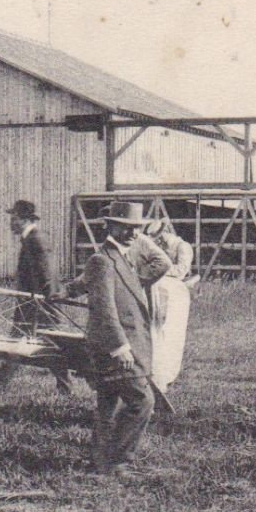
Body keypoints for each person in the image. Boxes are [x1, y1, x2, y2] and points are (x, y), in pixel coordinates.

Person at [83, 200, 162, 475]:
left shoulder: (123, 257)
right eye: (126, 227)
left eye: (136, 228)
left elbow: (85, 284)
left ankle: (99, 461)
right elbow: (105, 309)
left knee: (107, 405)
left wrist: (65, 290)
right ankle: (117, 461)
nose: (132, 234)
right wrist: (120, 347)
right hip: (115, 347)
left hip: (120, 344)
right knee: (143, 401)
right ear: (110, 226)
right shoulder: (102, 259)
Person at [0, 199, 73, 394]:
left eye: (13, 218)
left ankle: (65, 386)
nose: (10, 222)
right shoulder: (30, 239)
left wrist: (48, 301)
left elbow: (48, 274)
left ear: (24, 219)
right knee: (18, 343)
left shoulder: (36, 239)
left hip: (40, 306)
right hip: (30, 304)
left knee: (49, 345)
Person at [140, 218, 195, 386]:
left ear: (167, 232)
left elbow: (180, 270)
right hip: (155, 289)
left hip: (174, 291)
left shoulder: (182, 247)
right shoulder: (155, 248)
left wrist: (160, 269)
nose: (160, 241)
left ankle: (168, 370)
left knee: (171, 330)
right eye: (157, 238)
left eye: (161, 237)